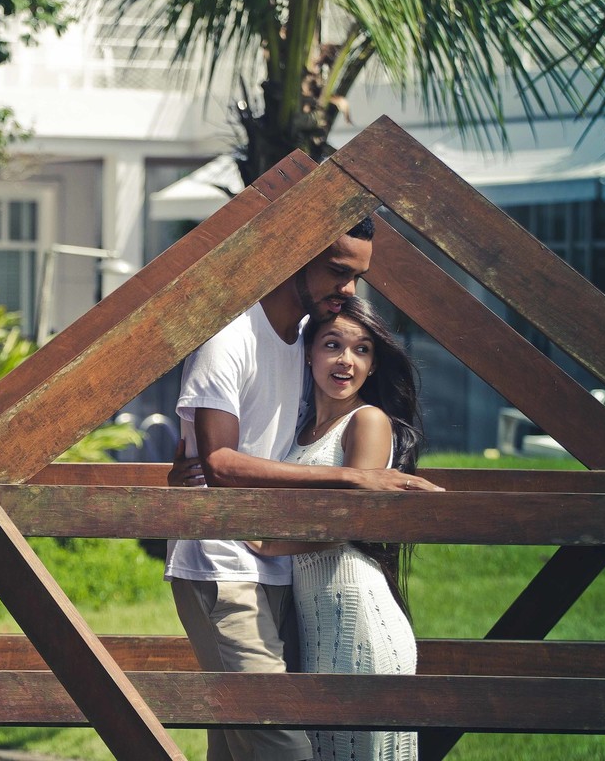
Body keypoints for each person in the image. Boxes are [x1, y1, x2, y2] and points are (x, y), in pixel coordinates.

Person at [166, 214, 440, 761]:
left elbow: (235, 447)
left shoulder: (299, 344)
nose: (348, 290)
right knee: (280, 742)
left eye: (357, 277)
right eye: (338, 272)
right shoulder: (229, 338)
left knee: (238, 743)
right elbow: (220, 461)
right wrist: (354, 477)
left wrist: (185, 463)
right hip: (221, 564)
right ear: (294, 253)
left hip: (280, 571)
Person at [248, 296, 420, 760]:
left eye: (362, 349)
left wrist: (271, 543)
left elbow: (351, 519)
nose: (346, 360)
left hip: (358, 611)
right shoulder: (300, 428)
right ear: (309, 353)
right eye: (333, 345)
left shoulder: (368, 420)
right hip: (317, 620)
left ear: (373, 364)